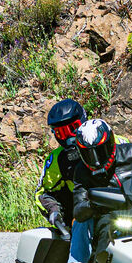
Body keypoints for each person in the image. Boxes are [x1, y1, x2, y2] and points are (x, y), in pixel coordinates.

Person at [67, 117, 132, 263]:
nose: (96, 160)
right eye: (89, 154)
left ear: (110, 142)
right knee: (80, 222)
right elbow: (78, 209)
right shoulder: (82, 171)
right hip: (108, 218)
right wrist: (96, 203)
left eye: (100, 151)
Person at [36, 98, 88, 236]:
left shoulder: (112, 140)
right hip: (84, 216)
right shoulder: (57, 159)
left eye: (72, 129)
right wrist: (54, 211)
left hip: (121, 207)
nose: (68, 138)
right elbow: (43, 193)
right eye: (61, 133)